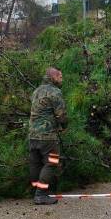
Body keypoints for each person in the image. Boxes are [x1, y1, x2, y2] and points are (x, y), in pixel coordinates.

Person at [28, 67, 67, 205]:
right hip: (48, 136)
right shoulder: (55, 92)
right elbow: (61, 115)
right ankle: (41, 194)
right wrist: (64, 126)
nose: (62, 79)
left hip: (32, 135)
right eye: (60, 76)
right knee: (51, 163)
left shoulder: (36, 91)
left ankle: (34, 191)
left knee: (35, 163)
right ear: (53, 77)